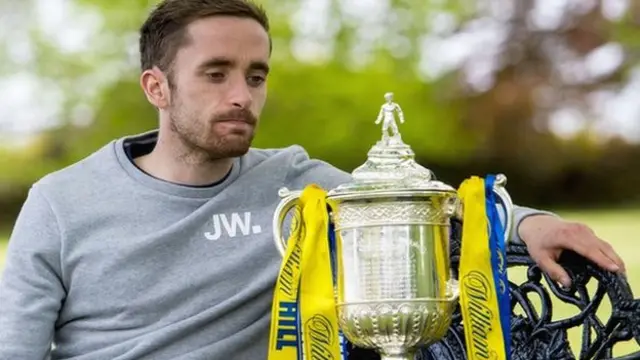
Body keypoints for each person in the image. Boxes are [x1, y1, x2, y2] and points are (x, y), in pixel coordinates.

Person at [0, 0, 626, 359]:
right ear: (156, 87)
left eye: (256, 75)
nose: (242, 95)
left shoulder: (297, 181)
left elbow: (421, 200)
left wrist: (533, 221)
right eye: (215, 74)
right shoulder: (59, 203)